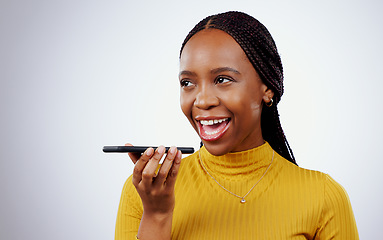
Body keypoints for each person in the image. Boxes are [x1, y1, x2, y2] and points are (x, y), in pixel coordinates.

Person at [115, 11, 359, 240]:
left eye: (222, 80)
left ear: (267, 88)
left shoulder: (323, 196)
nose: (202, 100)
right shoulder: (145, 192)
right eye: (188, 83)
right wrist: (157, 216)